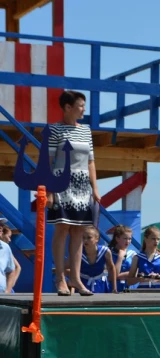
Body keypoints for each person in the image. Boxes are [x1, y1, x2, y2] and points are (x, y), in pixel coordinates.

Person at [46, 90, 101, 296]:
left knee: (79, 231)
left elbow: (91, 161)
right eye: (80, 106)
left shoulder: (86, 131)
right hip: (61, 181)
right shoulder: (54, 130)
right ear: (68, 107)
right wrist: (49, 191)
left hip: (82, 185)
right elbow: (48, 161)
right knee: (63, 228)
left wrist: (95, 188)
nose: (83, 109)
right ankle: (60, 279)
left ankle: (76, 279)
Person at [77, 226, 116, 293]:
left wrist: (114, 287)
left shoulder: (105, 251)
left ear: (97, 239)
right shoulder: (78, 253)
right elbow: (68, 267)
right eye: (83, 238)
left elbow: (111, 268)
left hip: (100, 284)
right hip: (82, 284)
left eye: (89, 237)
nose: (85, 240)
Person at [108, 225, 138, 292]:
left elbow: (135, 275)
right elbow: (111, 277)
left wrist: (118, 276)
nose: (128, 241)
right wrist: (120, 257)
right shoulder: (109, 253)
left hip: (130, 289)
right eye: (125, 238)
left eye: (129, 239)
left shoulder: (133, 254)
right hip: (113, 289)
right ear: (117, 238)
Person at [0, 221, 20, 292]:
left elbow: (15, 268)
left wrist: (8, 289)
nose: (9, 239)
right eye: (8, 236)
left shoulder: (5, 248)